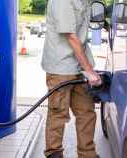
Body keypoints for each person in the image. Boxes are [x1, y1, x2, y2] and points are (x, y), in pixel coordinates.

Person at [41, 0, 102, 157]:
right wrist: (90, 71)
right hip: (60, 67)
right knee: (58, 113)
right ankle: (54, 153)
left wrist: (88, 68)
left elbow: (82, 36)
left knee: (87, 112)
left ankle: (87, 154)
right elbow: (71, 37)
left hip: (79, 66)